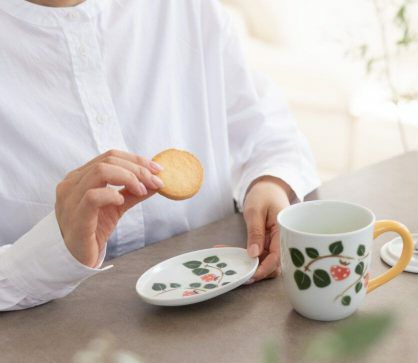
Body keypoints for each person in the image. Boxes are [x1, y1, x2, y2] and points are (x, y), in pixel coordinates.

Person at [0, 0, 320, 311]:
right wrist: (51, 253)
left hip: (229, 302)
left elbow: (266, 128)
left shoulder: (187, 8)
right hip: (53, 332)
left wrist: (269, 182)